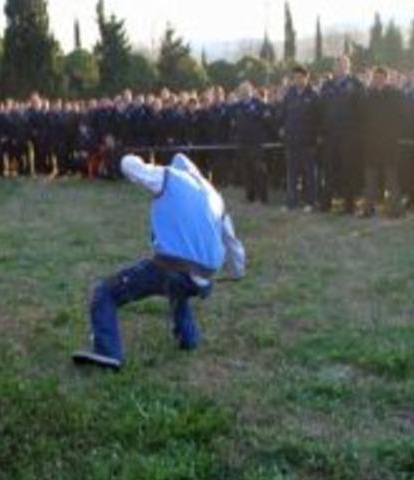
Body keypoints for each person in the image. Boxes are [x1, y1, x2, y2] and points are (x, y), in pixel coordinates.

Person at [72, 153, 245, 369]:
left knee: (104, 292)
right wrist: (237, 271)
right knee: (178, 289)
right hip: (204, 278)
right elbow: (232, 241)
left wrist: (128, 157)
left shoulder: (170, 177)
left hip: (172, 266)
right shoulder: (213, 195)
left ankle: (108, 352)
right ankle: (188, 339)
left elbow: (129, 167)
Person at [319, 55, 365, 213]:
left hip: (349, 136)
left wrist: (358, 134)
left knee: (348, 170)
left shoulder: (356, 84)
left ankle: (349, 205)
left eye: (343, 64)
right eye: (337, 64)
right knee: (329, 169)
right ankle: (326, 204)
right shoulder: (327, 85)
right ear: (333, 67)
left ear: (348, 67)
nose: (339, 67)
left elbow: (362, 111)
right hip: (331, 135)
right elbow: (321, 109)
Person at [362, 67, 405, 218]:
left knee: (391, 179)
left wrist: (394, 134)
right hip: (372, 144)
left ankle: (395, 210)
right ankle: (368, 209)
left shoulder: (395, 94)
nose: (378, 80)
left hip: (389, 144)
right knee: (370, 179)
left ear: (386, 78)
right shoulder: (369, 95)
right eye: (376, 77)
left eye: (381, 77)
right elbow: (363, 118)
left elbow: (401, 117)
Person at [281, 65, 321, 211]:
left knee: (309, 174)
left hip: (308, 142)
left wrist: (316, 136)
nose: (297, 80)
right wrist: (282, 128)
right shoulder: (290, 94)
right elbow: (283, 113)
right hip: (292, 141)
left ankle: (310, 202)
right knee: (291, 174)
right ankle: (291, 202)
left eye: (300, 77)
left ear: (306, 77)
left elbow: (319, 118)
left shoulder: (313, 95)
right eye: (295, 77)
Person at [232, 81, 274, 204]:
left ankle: (263, 198)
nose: (244, 92)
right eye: (242, 90)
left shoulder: (259, 105)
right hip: (242, 144)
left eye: (246, 89)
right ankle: (250, 196)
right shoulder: (237, 106)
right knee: (246, 171)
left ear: (251, 90)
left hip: (256, 144)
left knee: (259, 171)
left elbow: (268, 122)